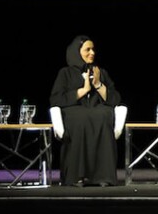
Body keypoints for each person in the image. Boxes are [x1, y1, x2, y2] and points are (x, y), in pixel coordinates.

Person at [50, 35, 122, 186]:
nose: (92, 53)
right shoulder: (65, 73)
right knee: (81, 118)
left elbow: (115, 99)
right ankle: (77, 176)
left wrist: (97, 84)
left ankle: (103, 177)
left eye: (93, 49)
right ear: (77, 52)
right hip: (73, 112)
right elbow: (56, 99)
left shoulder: (100, 72)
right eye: (87, 49)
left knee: (103, 115)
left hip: (97, 109)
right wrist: (83, 90)